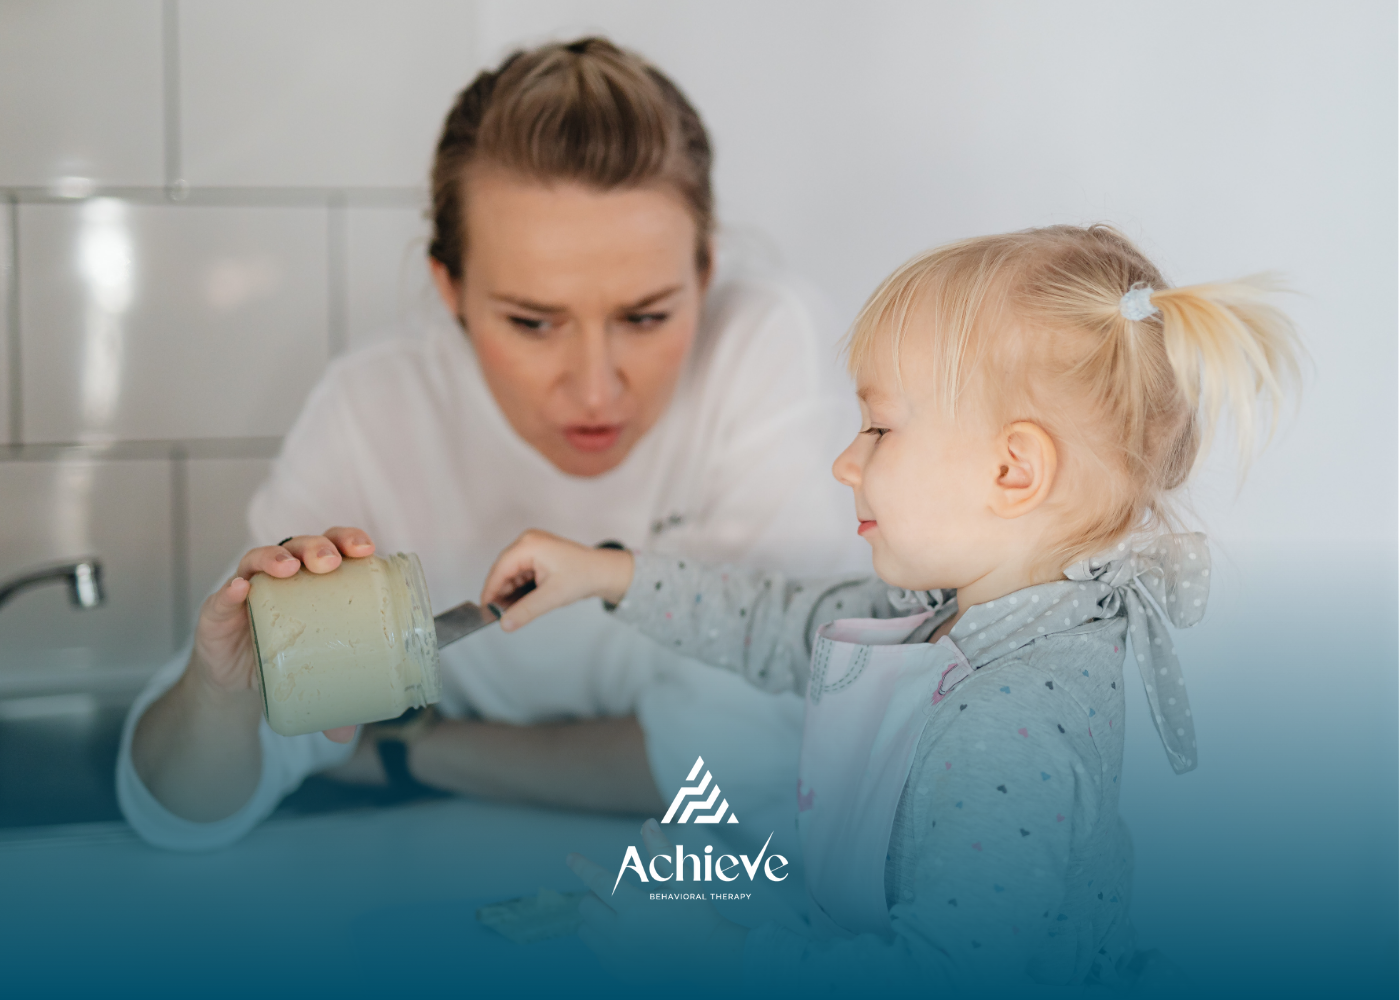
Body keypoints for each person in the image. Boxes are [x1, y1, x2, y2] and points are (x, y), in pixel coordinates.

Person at [479, 225, 1300, 989]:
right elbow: (773, 620)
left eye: (878, 428)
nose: (845, 462)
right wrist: (605, 574)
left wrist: (709, 957)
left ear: (1013, 472)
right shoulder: (951, 616)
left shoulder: (1006, 726)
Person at [118, 37, 863, 852]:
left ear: (706, 273)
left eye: (646, 317)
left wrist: (407, 748)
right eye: (532, 323)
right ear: (452, 290)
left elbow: (747, 764)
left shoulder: (767, 347)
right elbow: (183, 811)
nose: (594, 390)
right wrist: (224, 694)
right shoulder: (375, 410)